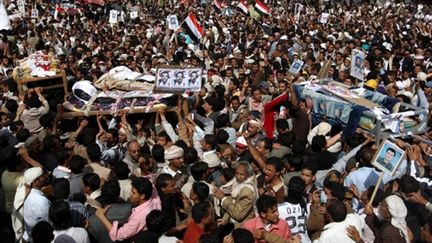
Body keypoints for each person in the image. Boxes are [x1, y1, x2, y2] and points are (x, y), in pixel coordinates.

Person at [95, 177, 161, 241]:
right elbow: (152, 185)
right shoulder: (154, 198)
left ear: (142, 196)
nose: (130, 194)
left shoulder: (140, 216)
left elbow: (118, 235)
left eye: (133, 193)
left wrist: (101, 216)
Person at [22, 167, 51, 241]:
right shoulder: (41, 201)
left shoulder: (28, 193)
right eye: (43, 176)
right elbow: (48, 223)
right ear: (35, 182)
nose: (46, 176)